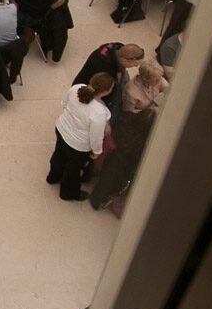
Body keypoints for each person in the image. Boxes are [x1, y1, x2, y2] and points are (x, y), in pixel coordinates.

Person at [46, 73, 114, 202]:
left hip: (61, 129)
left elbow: (64, 104)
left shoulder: (76, 88)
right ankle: (67, 193)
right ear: (106, 91)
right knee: (73, 169)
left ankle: (53, 177)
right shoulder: (99, 112)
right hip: (78, 145)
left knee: (59, 155)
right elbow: (96, 137)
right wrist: (96, 151)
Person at [73, 42, 144, 115]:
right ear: (126, 60)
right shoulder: (107, 70)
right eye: (134, 65)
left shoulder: (116, 49)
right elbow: (105, 92)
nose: (134, 67)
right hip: (86, 92)